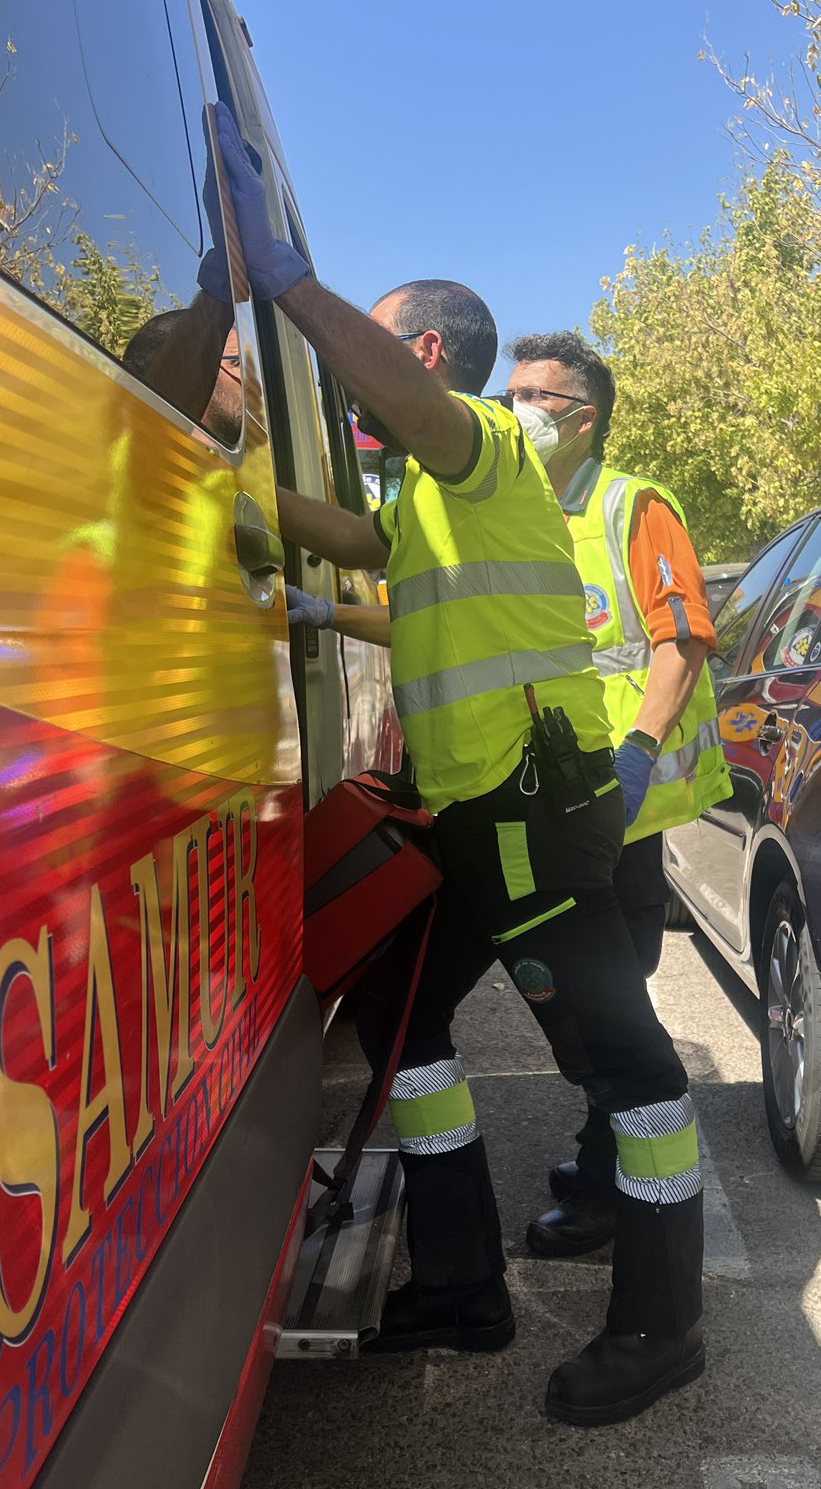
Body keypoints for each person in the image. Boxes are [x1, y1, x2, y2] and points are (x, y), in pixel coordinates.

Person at [204, 102, 705, 1425]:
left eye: (387, 343)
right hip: (476, 812)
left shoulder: (481, 444)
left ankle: (664, 1325)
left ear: (423, 353)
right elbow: (364, 550)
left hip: (533, 808)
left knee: (632, 1071)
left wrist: (290, 287)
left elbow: (424, 414)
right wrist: (238, 505)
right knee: (401, 1023)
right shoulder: (425, 496)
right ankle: (464, 1287)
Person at [293, 335, 730, 1261]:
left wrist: (643, 750)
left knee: (606, 1032)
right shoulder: (478, 491)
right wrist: (327, 607)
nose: (523, 405)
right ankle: (536, 1222)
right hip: (497, 799)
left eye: (543, 395)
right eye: (516, 389)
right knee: (561, 1025)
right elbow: (428, 598)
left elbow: (681, 638)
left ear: (587, 415)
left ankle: (620, 1204)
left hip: (603, 800)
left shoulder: (626, 504)